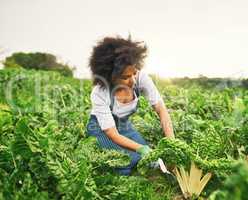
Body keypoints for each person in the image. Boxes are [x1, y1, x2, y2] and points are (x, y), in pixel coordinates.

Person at [86, 35, 174, 176]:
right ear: (110, 76)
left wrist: (172, 142)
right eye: (125, 77)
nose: (132, 80)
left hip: (125, 127)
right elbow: (113, 134)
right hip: (102, 130)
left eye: (134, 73)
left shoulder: (141, 79)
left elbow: (161, 110)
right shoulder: (100, 93)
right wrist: (140, 148)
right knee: (123, 163)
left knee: (151, 160)